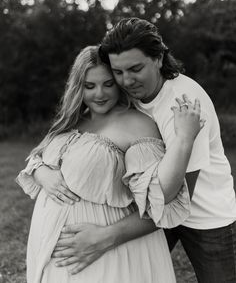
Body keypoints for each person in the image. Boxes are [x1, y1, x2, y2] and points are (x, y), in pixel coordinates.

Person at [16, 45, 202, 283]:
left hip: (105, 253)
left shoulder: (137, 124)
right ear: (77, 87)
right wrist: (41, 172)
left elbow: (158, 199)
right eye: (89, 86)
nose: (99, 94)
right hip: (50, 246)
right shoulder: (71, 121)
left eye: (108, 84)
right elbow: (37, 158)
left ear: (118, 82)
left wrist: (103, 238)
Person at [98, 17, 236, 283]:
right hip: (159, 208)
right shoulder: (132, 96)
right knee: (135, 275)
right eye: (118, 72)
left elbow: (177, 193)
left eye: (135, 68)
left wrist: (110, 234)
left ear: (159, 58)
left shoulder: (184, 104)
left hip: (206, 215)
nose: (126, 80)